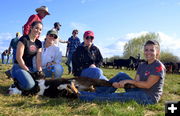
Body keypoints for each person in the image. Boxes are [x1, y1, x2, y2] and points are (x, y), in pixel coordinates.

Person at [79, 40, 166, 105]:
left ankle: (79, 94)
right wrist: (119, 84)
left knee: (116, 97)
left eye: (152, 50)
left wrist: (127, 82)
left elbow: (147, 85)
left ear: (157, 52)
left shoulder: (158, 66)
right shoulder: (142, 65)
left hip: (148, 97)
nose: (148, 52)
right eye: (146, 50)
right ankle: (98, 90)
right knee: (121, 75)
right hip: (139, 90)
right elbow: (136, 83)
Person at [11, 21, 43, 91]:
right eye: (36, 28)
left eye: (40, 29)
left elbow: (38, 59)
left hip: (30, 68)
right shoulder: (23, 39)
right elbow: (18, 57)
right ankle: (15, 84)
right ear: (31, 28)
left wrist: (39, 72)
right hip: (19, 67)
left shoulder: (39, 43)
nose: (38, 31)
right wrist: (27, 70)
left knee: (38, 84)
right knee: (30, 85)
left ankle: (22, 81)